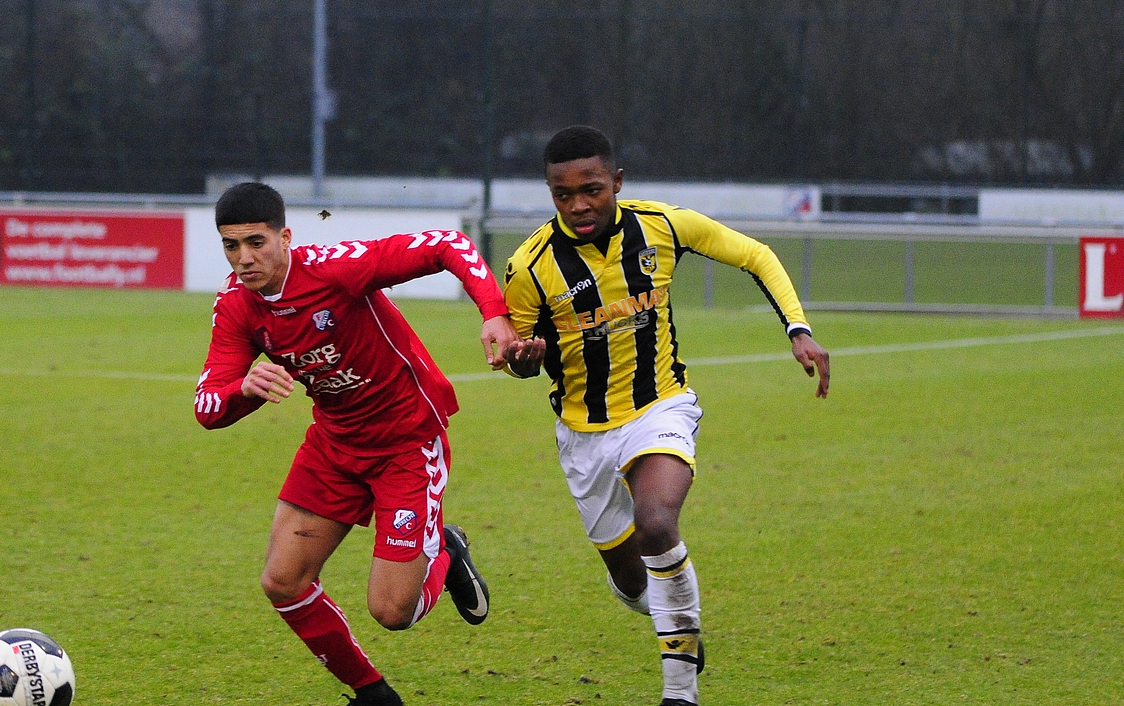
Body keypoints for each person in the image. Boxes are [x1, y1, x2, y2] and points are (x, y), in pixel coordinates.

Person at [497, 126, 831, 706]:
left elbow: (755, 254)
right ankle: (679, 622)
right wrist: (525, 359)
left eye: (592, 189)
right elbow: (524, 359)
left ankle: (680, 691)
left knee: (657, 521)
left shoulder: (662, 226)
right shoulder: (529, 266)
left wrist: (797, 329)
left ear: (617, 183)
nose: (579, 205)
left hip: (660, 406)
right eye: (563, 194)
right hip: (583, 433)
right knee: (632, 581)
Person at [194, 182, 519, 705]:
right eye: (231, 246)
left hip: (406, 441)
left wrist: (493, 312)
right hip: (335, 445)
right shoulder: (236, 306)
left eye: (256, 242)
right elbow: (207, 406)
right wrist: (244, 390)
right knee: (283, 581)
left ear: (285, 236)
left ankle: (447, 554)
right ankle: (372, 694)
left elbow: (446, 244)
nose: (243, 258)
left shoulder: (335, 268)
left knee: (393, 612)